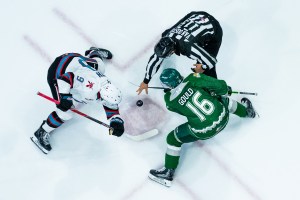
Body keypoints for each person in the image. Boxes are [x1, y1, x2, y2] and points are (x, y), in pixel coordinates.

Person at [148, 68, 257, 187]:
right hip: (223, 118)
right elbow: (221, 86)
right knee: (223, 100)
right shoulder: (193, 78)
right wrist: (220, 91)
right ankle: (248, 112)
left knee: (172, 139)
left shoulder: (169, 100)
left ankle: (168, 172)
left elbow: (182, 110)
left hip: (203, 131)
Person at [31, 47, 125, 154]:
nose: (110, 104)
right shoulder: (90, 87)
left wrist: (116, 121)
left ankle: (94, 52)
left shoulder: (107, 85)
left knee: (101, 67)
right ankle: (41, 132)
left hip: (76, 60)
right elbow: (66, 78)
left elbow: (110, 104)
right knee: (66, 113)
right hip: (59, 69)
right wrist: (65, 97)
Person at [137, 11, 223, 95]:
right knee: (200, 64)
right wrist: (146, 81)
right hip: (195, 15)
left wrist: (203, 66)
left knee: (204, 67)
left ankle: (215, 90)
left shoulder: (188, 48)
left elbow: (211, 60)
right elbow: (155, 61)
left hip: (213, 27)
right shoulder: (166, 36)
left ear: (172, 51)